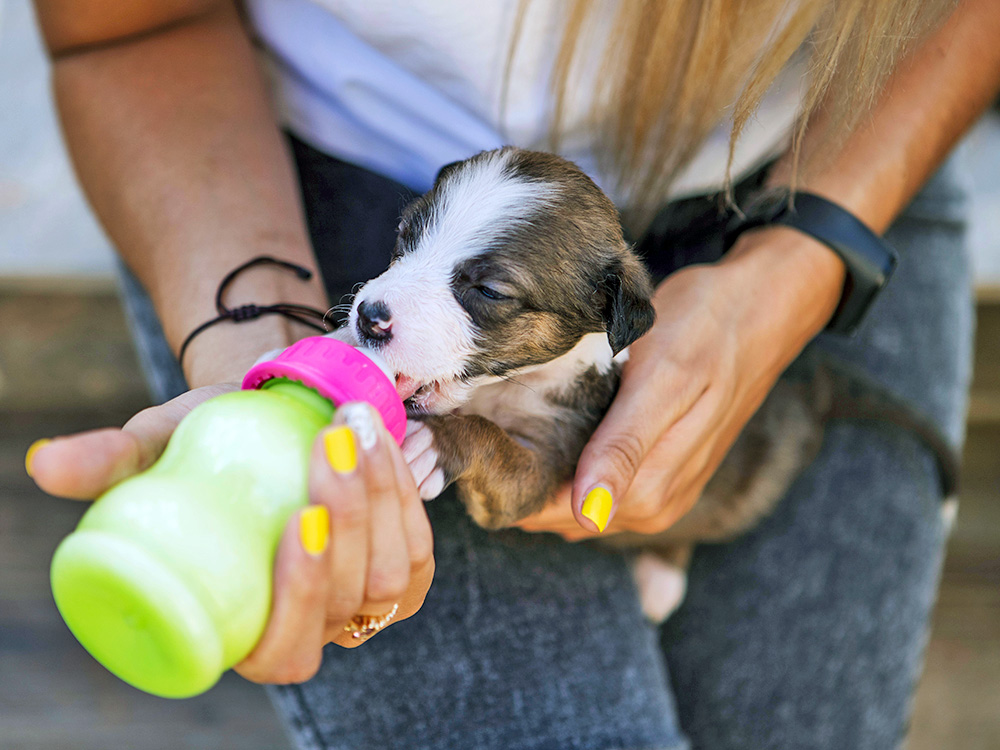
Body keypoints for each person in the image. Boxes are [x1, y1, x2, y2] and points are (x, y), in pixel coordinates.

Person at [25, 1, 1000, 748]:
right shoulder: (436, 259)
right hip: (299, 150)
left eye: (481, 291)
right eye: (409, 248)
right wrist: (273, 368)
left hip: (836, 135)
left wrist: (804, 260)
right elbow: (124, 28)